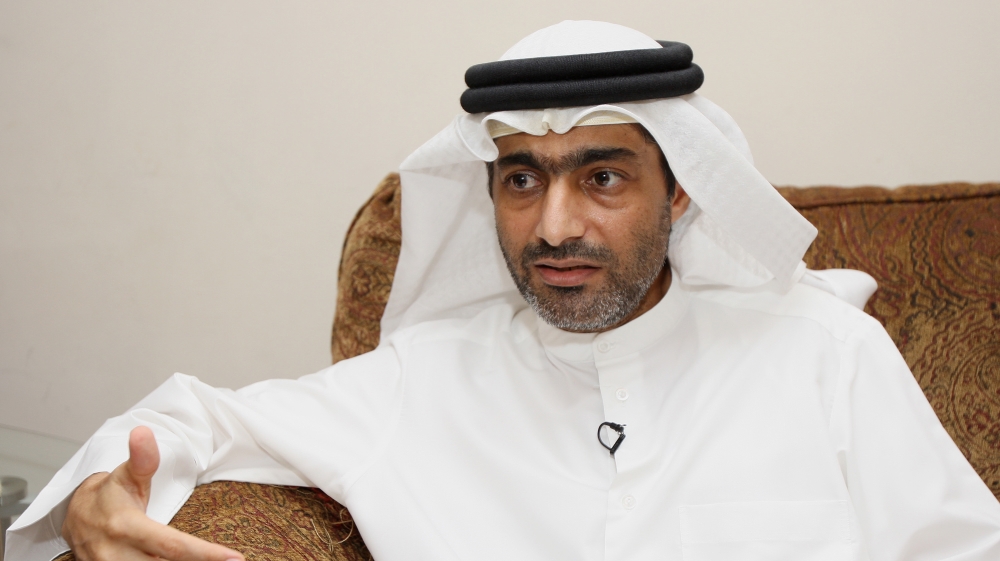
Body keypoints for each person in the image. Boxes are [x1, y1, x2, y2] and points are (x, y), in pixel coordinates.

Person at [8, 20, 1000, 561]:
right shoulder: (425, 379)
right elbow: (194, 418)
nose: (554, 225)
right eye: (521, 178)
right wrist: (97, 494)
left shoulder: (823, 355)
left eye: (602, 176)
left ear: (681, 190)